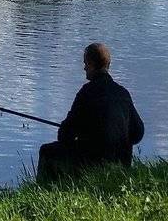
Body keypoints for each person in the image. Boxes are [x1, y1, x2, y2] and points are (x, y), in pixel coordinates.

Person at [38, 42, 144, 182]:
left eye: (85, 64)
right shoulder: (122, 93)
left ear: (91, 64)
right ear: (108, 65)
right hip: (122, 164)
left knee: (46, 151)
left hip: (94, 163)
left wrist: (78, 133)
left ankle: (47, 190)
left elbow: (64, 136)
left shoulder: (87, 92)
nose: (84, 68)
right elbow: (138, 134)